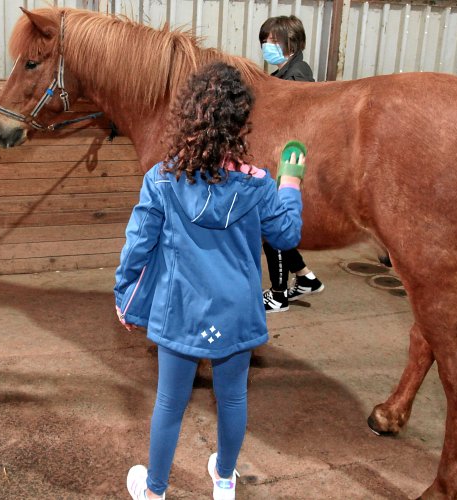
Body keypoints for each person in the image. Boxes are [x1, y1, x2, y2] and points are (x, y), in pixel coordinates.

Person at [115, 62, 305, 500]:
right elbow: (287, 235)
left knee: (169, 402)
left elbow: (137, 246)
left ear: (186, 117)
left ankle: (156, 489)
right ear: (240, 122)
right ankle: (224, 479)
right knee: (233, 398)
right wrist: (291, 184)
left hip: (180, 310)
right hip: (234, 315)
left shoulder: (160, 179)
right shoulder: (258, 184)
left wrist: (124, 294)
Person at [258, 15, 324, 312]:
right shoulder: (283, 72)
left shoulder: (298, 76)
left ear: (292, 43)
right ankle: (306, 278)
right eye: (265, 40)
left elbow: (296, 122)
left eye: (273, 40)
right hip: (284, 157)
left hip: (289, 160)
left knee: (272, 223)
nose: (267, 45)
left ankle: (279, 292)